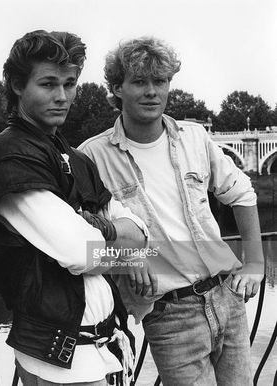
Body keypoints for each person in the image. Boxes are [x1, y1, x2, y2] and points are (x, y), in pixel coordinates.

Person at [79, 36, 265, 386]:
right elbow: (78, 242)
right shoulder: (92, 157)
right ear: (117, 88)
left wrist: (256, 264)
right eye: (139, 81)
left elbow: (241, 192)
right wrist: (132, 256)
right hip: (169, 313)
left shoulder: (194, 138)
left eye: (160, 81)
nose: (152, 91)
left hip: (227, 296)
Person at [0, 30, 149, 386]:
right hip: (58, 361)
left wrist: (104, 231)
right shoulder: (11, 155)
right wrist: (118, 240)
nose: (62, 96)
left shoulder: (74, 158)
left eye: (69, 84)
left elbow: (140, 233)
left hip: (100, 351)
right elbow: (79, 253)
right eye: (48, 84)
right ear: (17, 85)